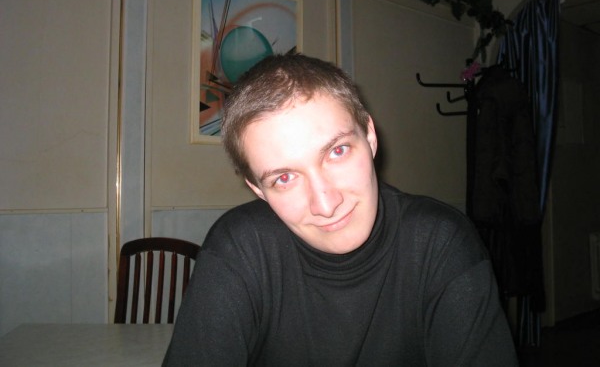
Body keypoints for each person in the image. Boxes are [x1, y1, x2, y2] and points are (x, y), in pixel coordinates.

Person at [162, 54, 518, 366]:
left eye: (337, 151)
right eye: (284, 178)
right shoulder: (240, 249)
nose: (326, 204)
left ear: (370, 136)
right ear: (258, 190)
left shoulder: (439, 242)